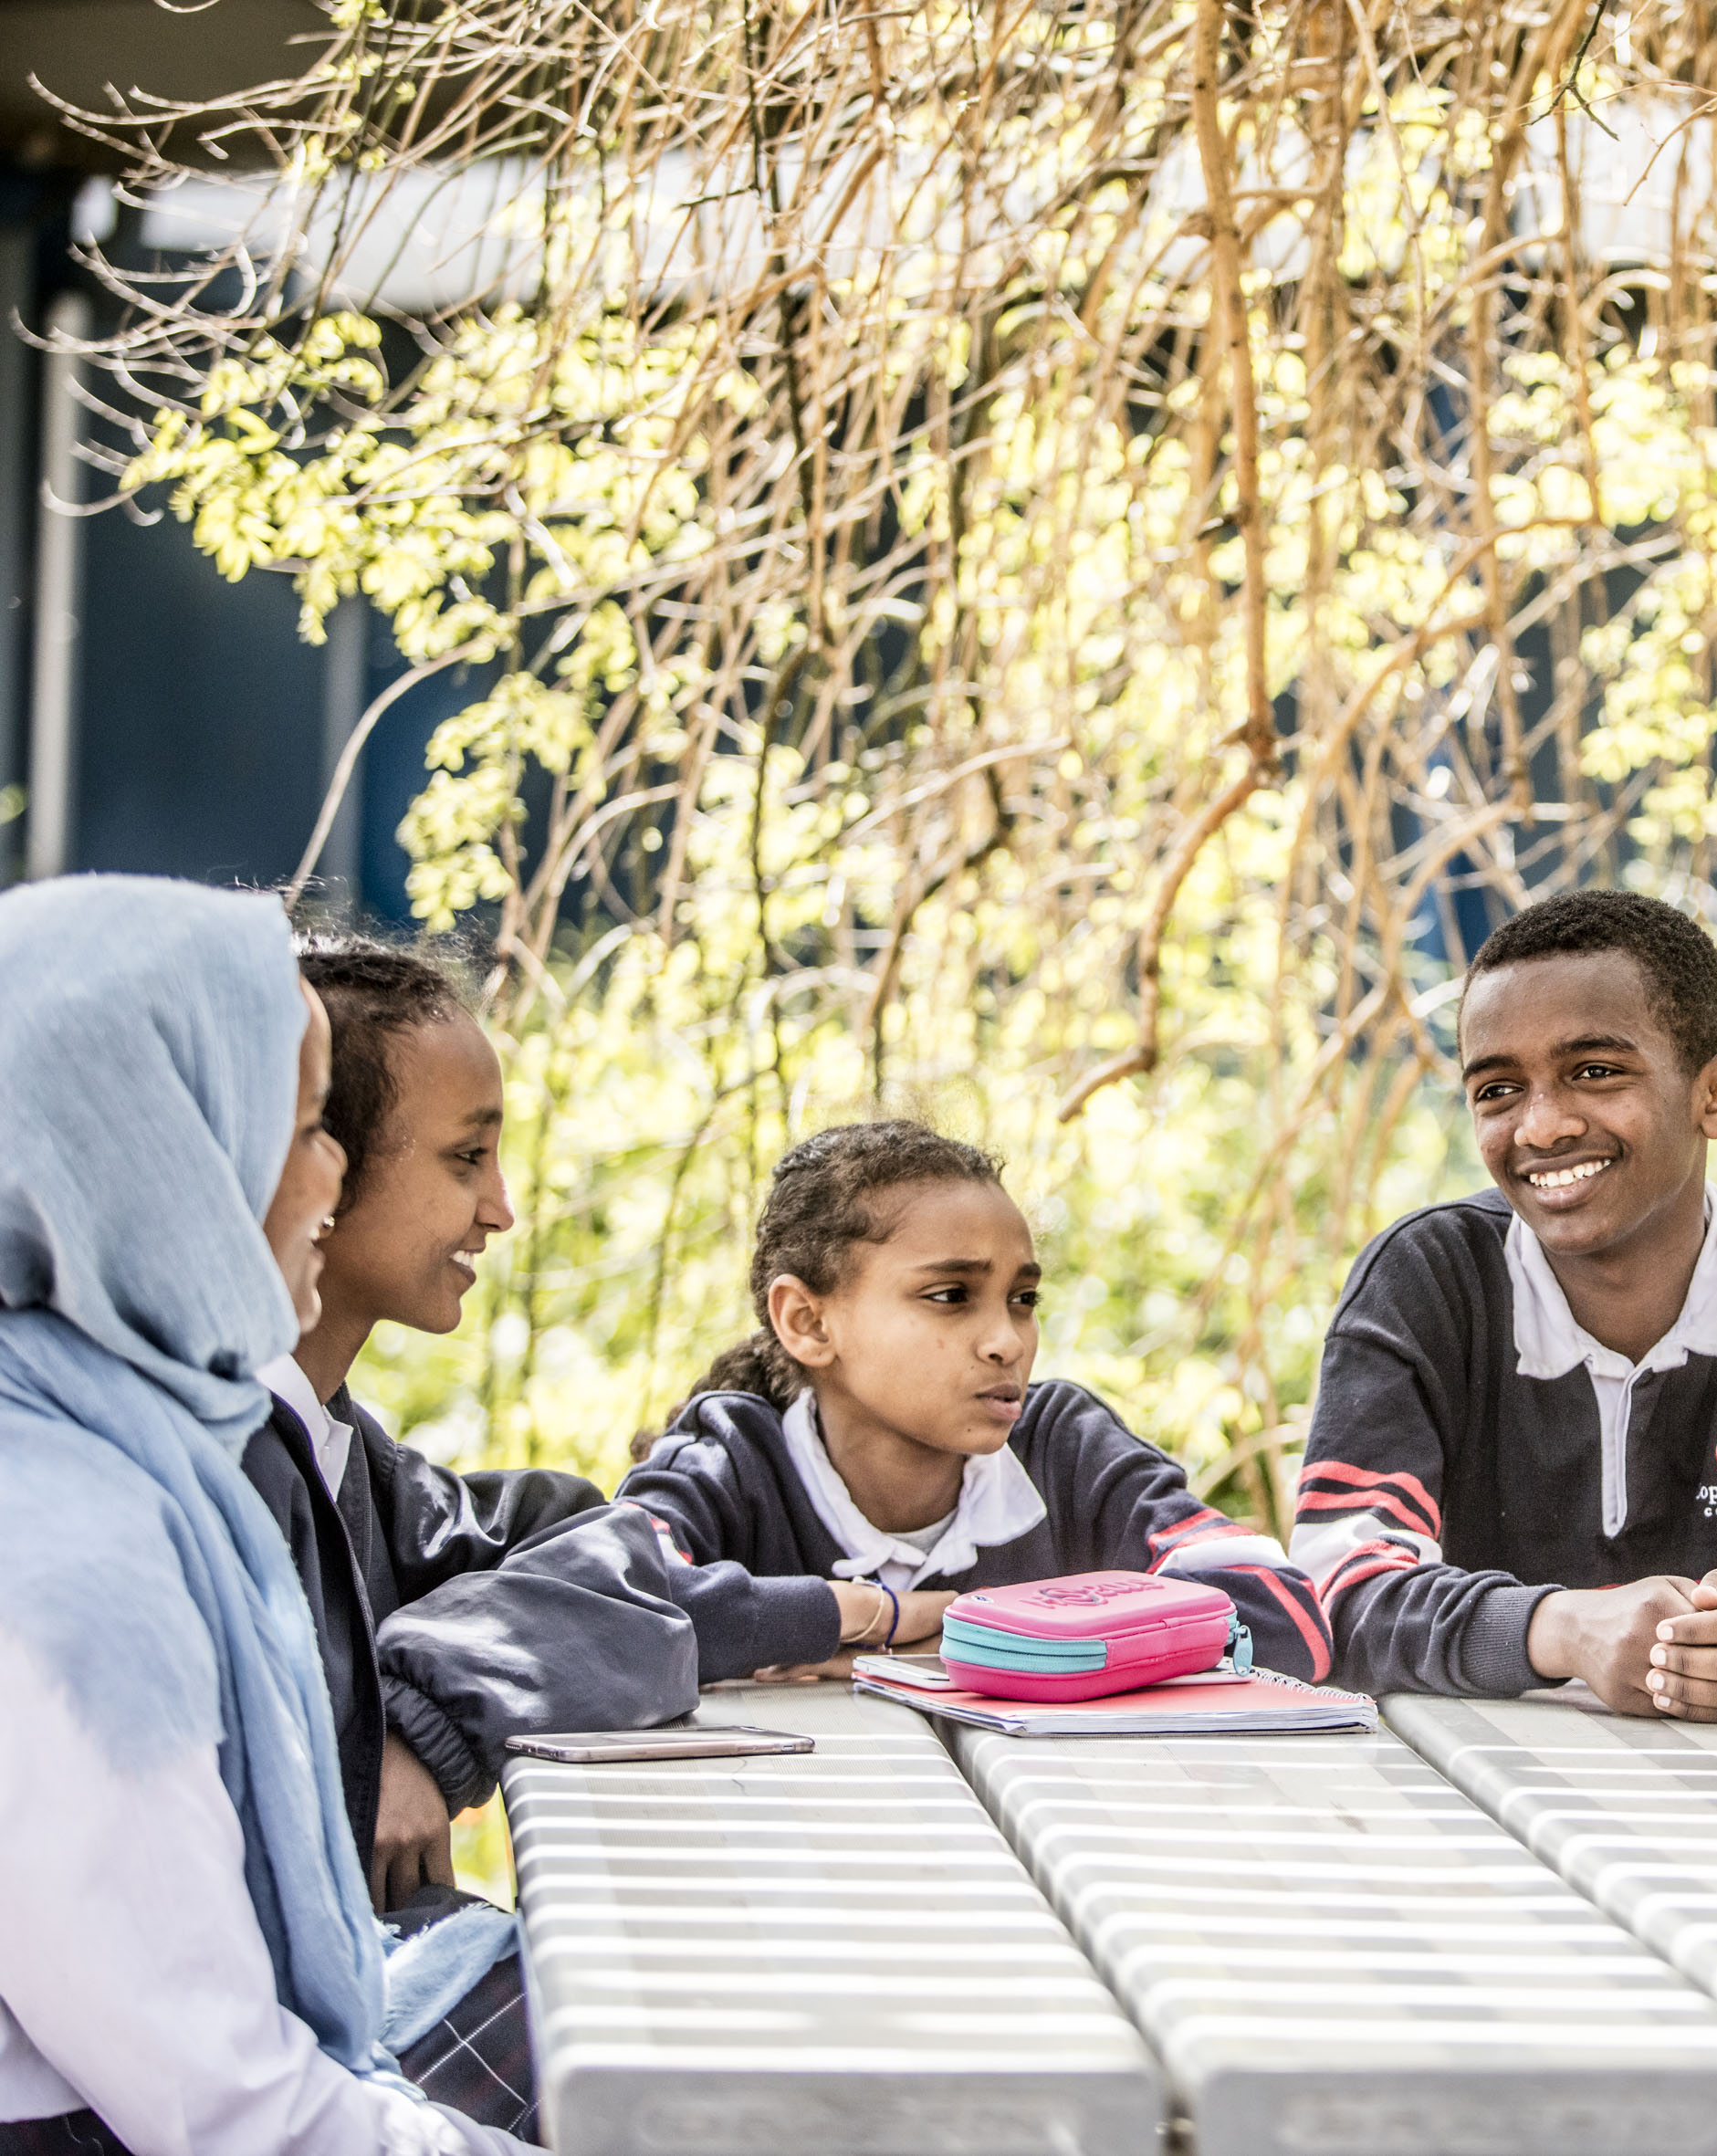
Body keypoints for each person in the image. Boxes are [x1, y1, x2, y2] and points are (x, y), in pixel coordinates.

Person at [0, 874, 533, 2153]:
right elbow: (228, 2107)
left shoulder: (129, 1454)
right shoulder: (67, 1552)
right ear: (163, 1158)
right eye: (303, 1130)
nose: (331, 1181)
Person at [1297, 889, 1717, 1719]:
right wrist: (1558, 1630)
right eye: (1498, 1090)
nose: (1541, 1126)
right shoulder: (1427, 1283)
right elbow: (1334, 1595)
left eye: (1594, 1072)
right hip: (1472, 1787)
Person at [246, 936, 697, 1911]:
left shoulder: (337, 1447)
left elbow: (591, 1540)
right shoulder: (216, 1463)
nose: (501, 1209)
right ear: (308, 1162)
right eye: (465, 1158)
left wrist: (422, 1719)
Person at [617, 1120, 1332, 1681]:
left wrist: (973, 1637)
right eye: (949, 1296)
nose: (1007, 1340)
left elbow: (1281, 1616)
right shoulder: (729, 1458)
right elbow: (602, 1608)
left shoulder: (1061, 1449)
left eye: (1022, 1300)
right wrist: (874, 1616)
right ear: (807, 1322)